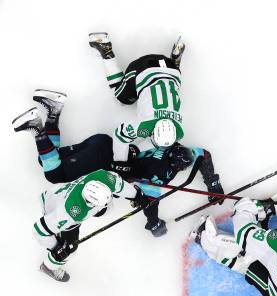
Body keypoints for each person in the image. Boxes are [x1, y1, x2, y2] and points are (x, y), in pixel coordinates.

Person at [12, 90, 224, 237]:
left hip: (105, 144)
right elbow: (150, 201)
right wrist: (154, 223)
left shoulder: (172, 145)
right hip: (102, 159)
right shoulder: (161, 173)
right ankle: (38, 129)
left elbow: (203, 154)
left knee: (48, 159)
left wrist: (212, 183)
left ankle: (54, 111)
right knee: (54, 174)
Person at [31, 168, 149, 282]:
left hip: (58, 192)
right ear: (89, 203)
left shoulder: (104, 178)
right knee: (70, 251)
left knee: (108, 208)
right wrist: (57, 248)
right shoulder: (70, 213)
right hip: (53, 206)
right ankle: (48, 267)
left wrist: (137, 195)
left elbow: (120, 185)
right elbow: (39, 230)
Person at [88, 32, 186, 163]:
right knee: (121, 98)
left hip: (172, 71)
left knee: (173, 84)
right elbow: (119, 136)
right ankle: (105, 48)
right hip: (144, 67)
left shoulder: (179, 131)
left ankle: (174, 61)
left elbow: (157, 141)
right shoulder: (145, 124)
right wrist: (120, 163)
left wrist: (137, 151)